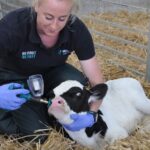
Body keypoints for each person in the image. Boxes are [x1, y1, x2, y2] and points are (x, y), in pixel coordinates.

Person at [0, 0, 104, 142]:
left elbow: (97, 81)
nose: (54, 26)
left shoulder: (76, 29)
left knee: (77, 81)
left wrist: (92, 114)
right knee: (37, 135)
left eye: (62, 18)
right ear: (36, 6)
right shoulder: (12, 26)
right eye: (48, 17)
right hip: (14, 77)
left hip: (50, 73)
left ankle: (44, 109)